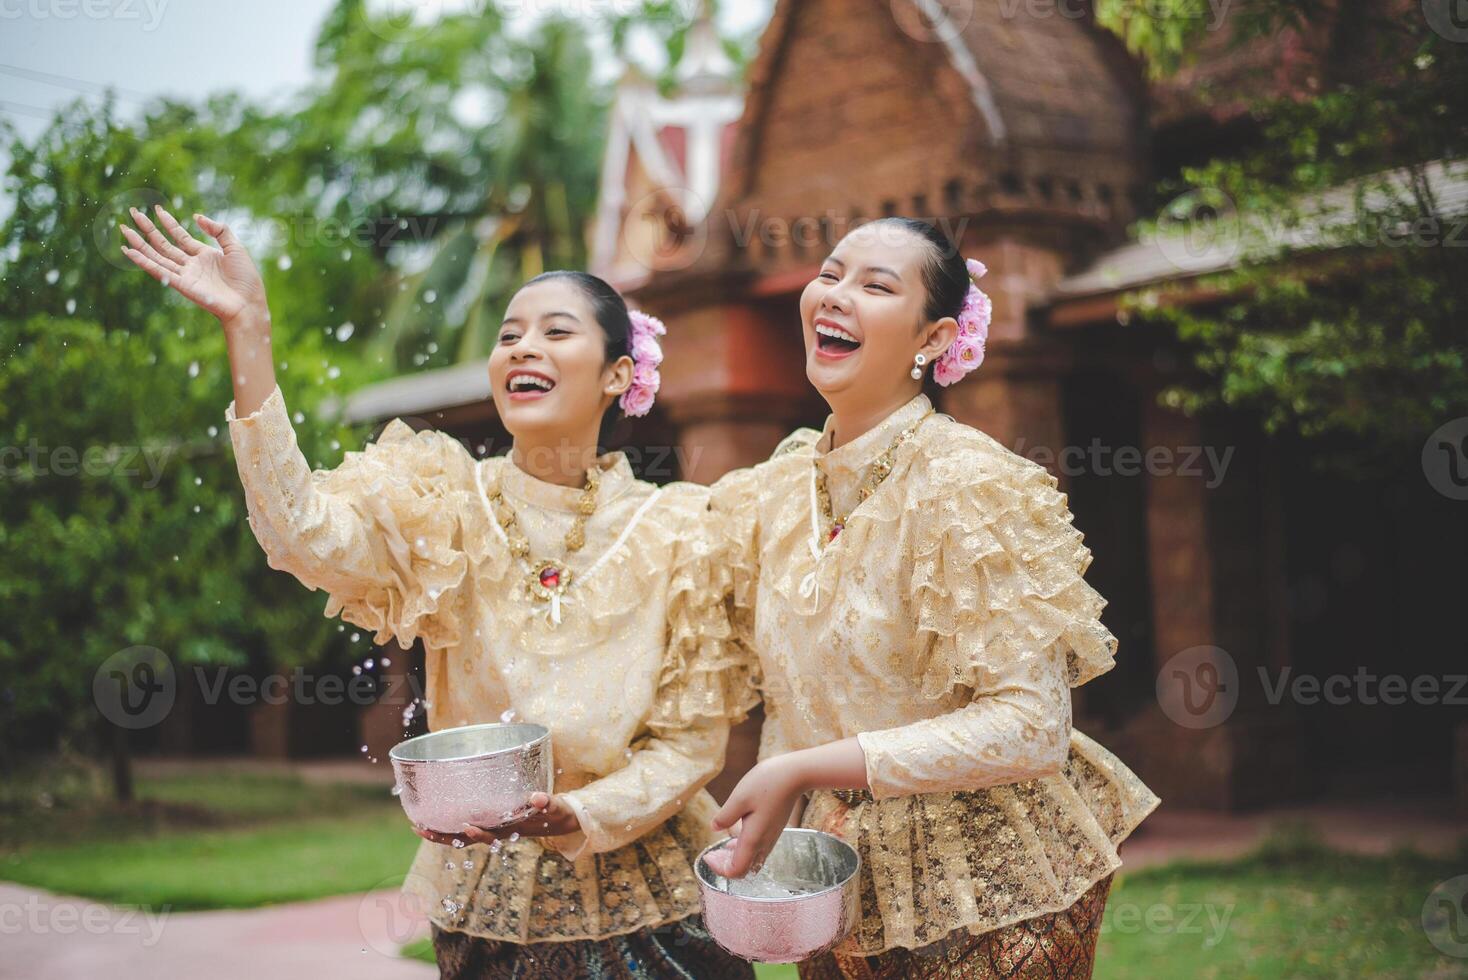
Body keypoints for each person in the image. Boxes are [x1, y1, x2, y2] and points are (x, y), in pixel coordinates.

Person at [120, 205, 758, 979]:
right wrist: (248, 334)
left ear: (618, 375)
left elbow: (691, 743)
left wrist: (583, 813)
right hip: (490, 911)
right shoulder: (443, 502)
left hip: (656, 911)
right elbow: (298, 533)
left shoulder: (681, 528)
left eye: (557, 332)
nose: (523, 345)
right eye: (509, 333)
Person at [705, 217, 1160, 978]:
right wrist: (776, 825)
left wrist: (801, 771)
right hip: (839, 887)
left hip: (989, 890)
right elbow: (794, 696)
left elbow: (1030, 726)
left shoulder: (967, 483)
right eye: (830, 273)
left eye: (876, 286)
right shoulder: (774, 493)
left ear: (934, 337)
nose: (835, 296)